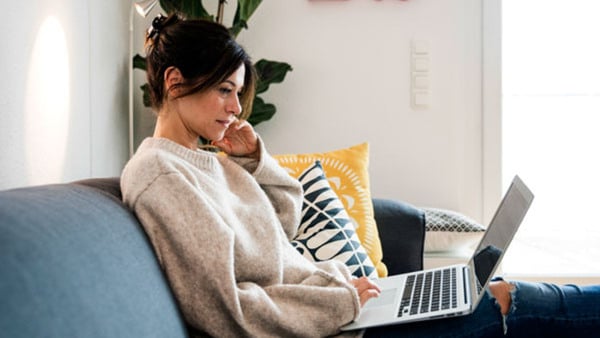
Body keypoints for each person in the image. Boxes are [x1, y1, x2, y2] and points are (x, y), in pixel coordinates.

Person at [121, 14, 600, 337]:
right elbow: (226, 310)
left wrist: (254, 162)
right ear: (175, 81)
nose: (233, 108)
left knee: (499, 294)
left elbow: (283, 227)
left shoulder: (207, 160)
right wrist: (342, 303)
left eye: (237, 92)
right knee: (505, 301)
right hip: (340, 325)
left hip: (348, 308)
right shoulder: (160, 174)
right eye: (224, 90)